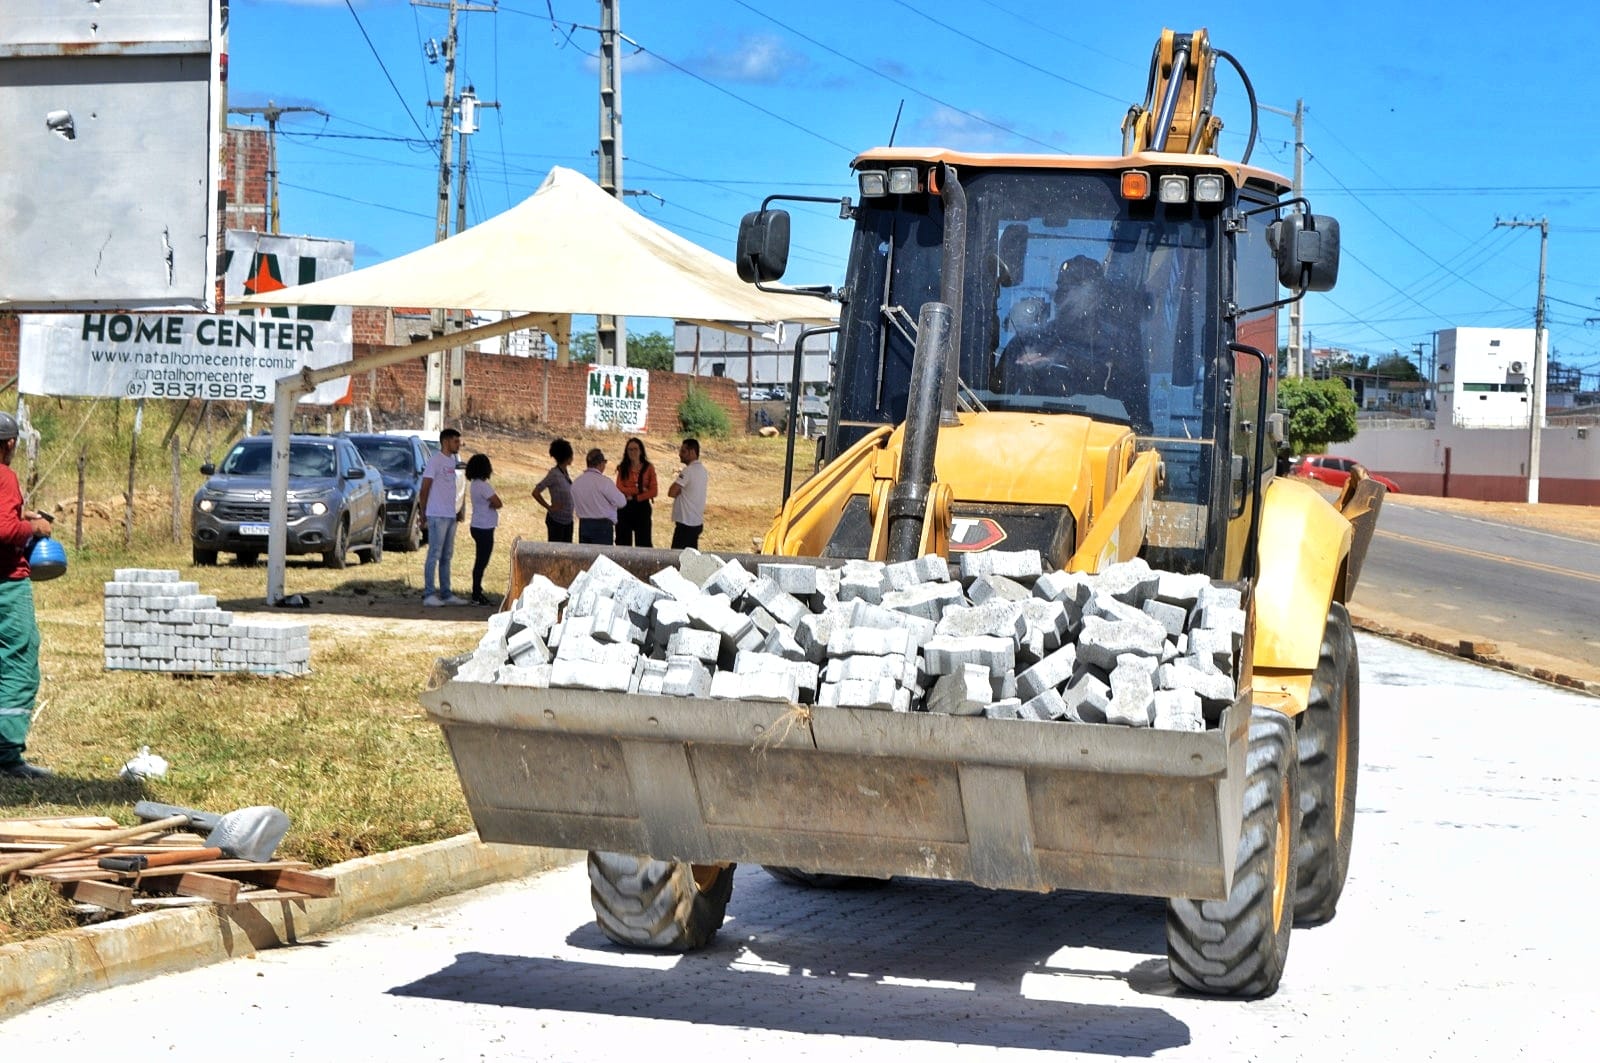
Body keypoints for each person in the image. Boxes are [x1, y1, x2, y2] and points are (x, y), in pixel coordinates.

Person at [0, 411, 55, 780]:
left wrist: (21, 512)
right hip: (6, 583)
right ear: (10, 444)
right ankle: (7, 755)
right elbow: (4, 531)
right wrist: (33, 526)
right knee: (18, 662)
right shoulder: (5, 475)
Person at [417, 428, 467, 607]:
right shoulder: (435, 461)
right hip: (437, 514)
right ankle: (429, 593)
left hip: (450, 514)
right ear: (445, 441)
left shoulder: (452, 460)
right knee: (434, 554)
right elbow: (425, 488)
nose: (458, 444)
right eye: (455, 441)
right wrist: (423, 512)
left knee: (447, 555)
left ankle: (446, 593)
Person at [465, 453, 502, 607]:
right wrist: (493, 505)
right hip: (485, 526)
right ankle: (476, 594)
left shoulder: (474, 484)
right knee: (482, 561)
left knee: (480, 560)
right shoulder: (484, 486)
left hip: (477, 524)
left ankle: (477, 591)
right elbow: (498, 502)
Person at [571, 448, 627, 545]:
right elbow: (621, 502)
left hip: (584, 524)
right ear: (601, 464)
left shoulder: (576, 483)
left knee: (587, 558)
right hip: (602, 527)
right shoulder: (604, 482)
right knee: (602, 558)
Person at [613, 437, 658, 547]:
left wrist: (637, 497)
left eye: (635, 449)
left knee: (644, 542)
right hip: (625, 507)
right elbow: (619, 488)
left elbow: (654, 491)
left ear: (641, 450)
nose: (633, 452)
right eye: (630, 449)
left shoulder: (649, 468)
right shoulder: (622, 468)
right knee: (623, 542)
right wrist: (639, 490)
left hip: (642, 507)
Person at [668, 437, 709, 550]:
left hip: (686, 523)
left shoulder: (688, 471)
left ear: (692, 452)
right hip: (696, 522)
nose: (680, 454)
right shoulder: (703, 471)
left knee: (677, 558)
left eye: (683, 451)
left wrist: (680, 491)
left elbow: (671, 492)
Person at [532, 438, 575, 543]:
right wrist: (549, 507)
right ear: (567, 457)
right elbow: (536, 492)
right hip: (557, 522)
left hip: (568, 521)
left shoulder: (564, 472)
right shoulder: (554, 474)